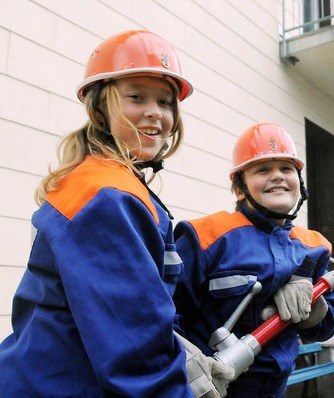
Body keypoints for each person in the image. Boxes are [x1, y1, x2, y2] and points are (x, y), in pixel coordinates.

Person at [0, 29, 232, 397]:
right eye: (136, 97)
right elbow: (134, 353)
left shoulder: (111, 183)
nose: (155, 113)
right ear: (99, 108)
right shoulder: (107, 196)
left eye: (166, 101)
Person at [174, 122, 334, 397]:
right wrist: (190, 364)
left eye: (286, 169)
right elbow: (165, 313)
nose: (277, 176)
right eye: (263, 169)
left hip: (276, 389)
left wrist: (316, 311)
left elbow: (327, 327)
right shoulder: (205, 237)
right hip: (211, 389)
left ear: (299, 183)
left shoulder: (316, 247)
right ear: (239, 188)